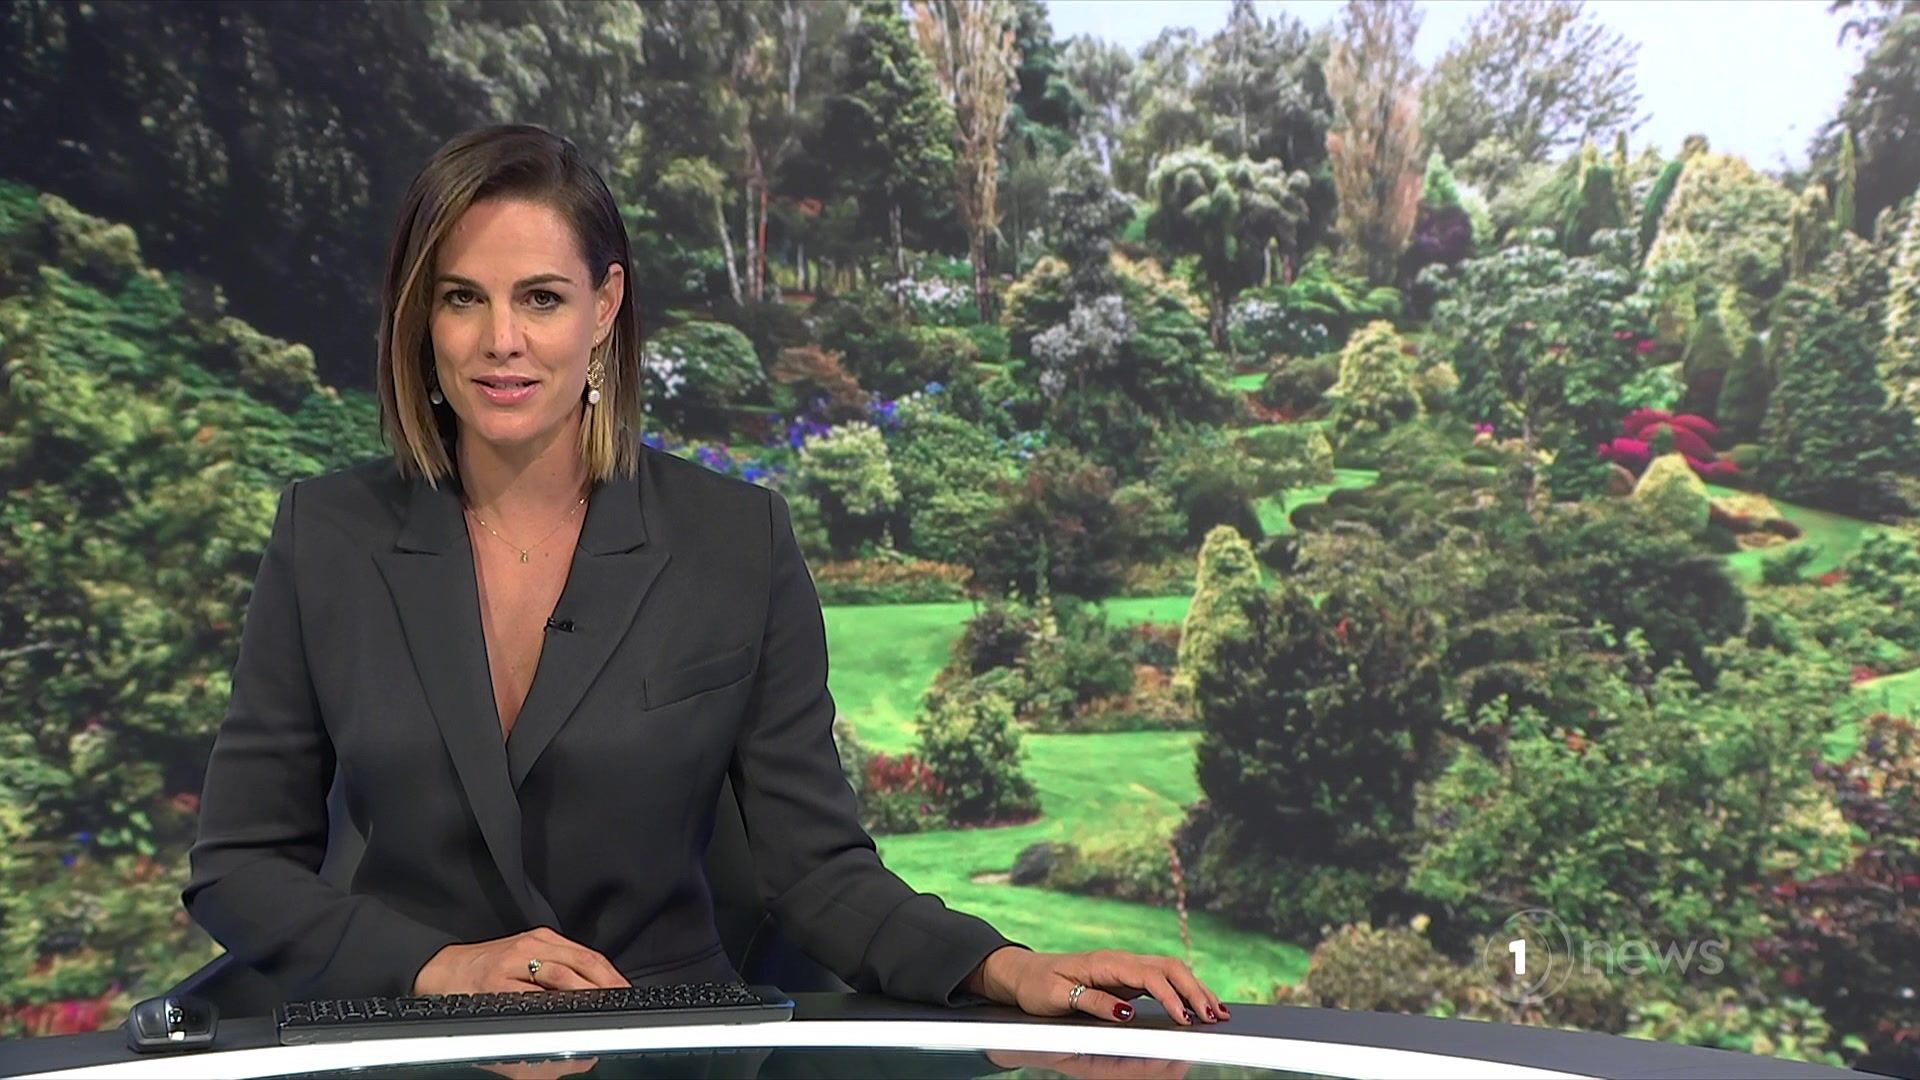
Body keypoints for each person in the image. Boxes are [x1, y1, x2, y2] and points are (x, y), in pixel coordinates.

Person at [183, 124, 1229, 1029]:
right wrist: (439, 968)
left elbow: (813, 871)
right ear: (422, 316)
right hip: (412, 1042)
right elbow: (240, 864)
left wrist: (1005, 967)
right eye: (463, 298)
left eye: (541, 297)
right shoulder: (327, 537)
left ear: (605, 307)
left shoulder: (736, 541)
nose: (501, 341)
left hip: (667, 1043)